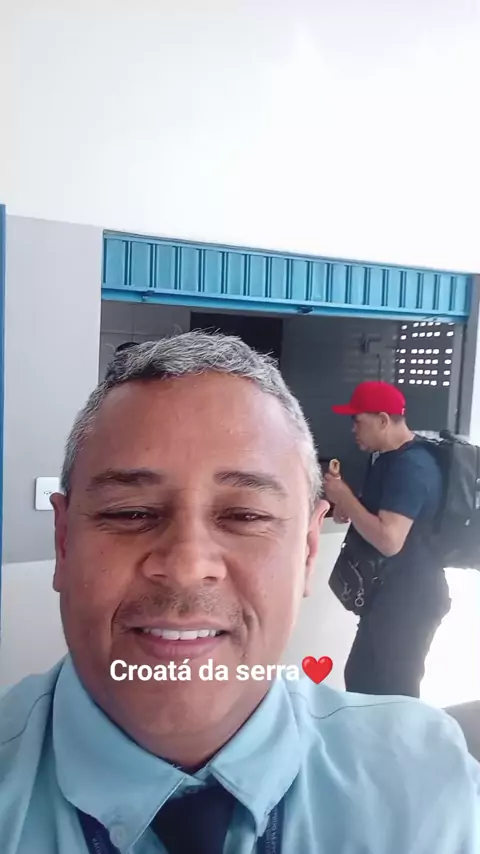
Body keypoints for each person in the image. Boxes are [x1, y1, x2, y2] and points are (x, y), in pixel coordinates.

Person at [0, 335, 478, 854]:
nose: (187, 568)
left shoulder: (424, 789)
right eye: (131, 512)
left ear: (307, 551)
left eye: (245, 515)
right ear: (64, 541)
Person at [324, 380, 451, 698]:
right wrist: (350, 508)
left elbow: (389, 540)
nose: (353, 429)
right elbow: (381, 518)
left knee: (395, 693)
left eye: (358, 420)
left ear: (383, 419)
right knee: (361, 680)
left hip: (410, 599)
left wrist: (345, 497)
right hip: (388, 595)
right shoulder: (389, 460)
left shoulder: (412, 467)